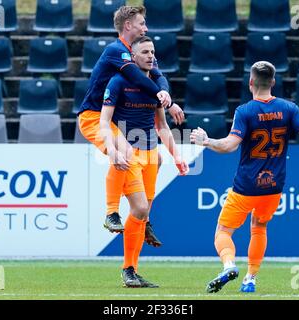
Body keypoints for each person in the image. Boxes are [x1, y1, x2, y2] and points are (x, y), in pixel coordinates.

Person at [190, 61, 299, 294]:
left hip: (246, 185)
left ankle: (229, 265)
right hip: (273, 187)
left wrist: (206, 141)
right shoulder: (289, 108)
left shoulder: (245, 111)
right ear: (273, 82)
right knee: (259, 228)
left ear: (250, 82)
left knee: (223, 231)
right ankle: (250, 279)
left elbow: (229, 146)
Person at [77, 6, 185, 244]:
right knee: (124, 152)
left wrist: (166, 95)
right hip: (94, 117)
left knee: (154, 159)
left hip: (113, 117)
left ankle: (144, 219)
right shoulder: (117, 50)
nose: (145, 28)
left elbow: (159, 76)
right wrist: (166, 102)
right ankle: (111, 212)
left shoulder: (140, 51)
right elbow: (137, 78)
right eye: (141, 23)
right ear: (128, 25)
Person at [100, 36, 189, 288]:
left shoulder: (155, 88)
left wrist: (177, 156)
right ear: (133, 57)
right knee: (139, 209)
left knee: (142, 215)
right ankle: (112, 216)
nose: (151, 56)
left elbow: (161, 126)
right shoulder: (118, 82)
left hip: (151, 154)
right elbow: (104, 122)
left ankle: (131, 270)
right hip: (129, 155)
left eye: (152, 52)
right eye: (145, 52)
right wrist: (111, 148)